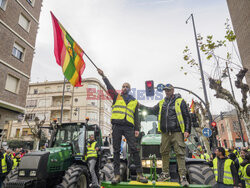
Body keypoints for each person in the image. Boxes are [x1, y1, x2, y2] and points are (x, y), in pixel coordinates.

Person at [97, 68, 148, 184]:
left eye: (127, 87)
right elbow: (109, 87)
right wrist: (103, 76)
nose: (124, 88)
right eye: (123, 86)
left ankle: (140, 174)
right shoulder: (116, 96)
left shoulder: (134, 101)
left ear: (129, 89)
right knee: (115, 151)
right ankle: (116, 176)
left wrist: (137, 129)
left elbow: (136, 117)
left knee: (134, 149)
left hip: (129, 127)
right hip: (117, 126)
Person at [141, 83, 191, 187]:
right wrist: (140, 106)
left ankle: (182, 176)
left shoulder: (180, 101)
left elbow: (187, 116)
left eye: (168, 90)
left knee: (180, 153)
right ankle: (165, 174)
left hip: (177, 131)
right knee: (164, 152)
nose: (167, 92)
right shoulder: (161, 103)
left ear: (172, 90)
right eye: (165, 90)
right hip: (164, 133)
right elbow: (151, 110)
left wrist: (187, 130)